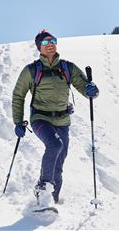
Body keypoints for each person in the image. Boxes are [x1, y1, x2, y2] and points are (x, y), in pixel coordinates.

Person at [12, 29, 99, 204]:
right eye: (45, 42)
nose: (50, 44)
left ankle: (52, 201)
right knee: (54, 144)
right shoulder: (31, 70)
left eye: (53, 40)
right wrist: (18, 122)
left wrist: (92, 90)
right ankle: (43, 187)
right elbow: (18, 96)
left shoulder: (67, 68)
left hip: (62, 120)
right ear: (39, 47)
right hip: (40, 118)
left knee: (59, 164)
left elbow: (85, 88)